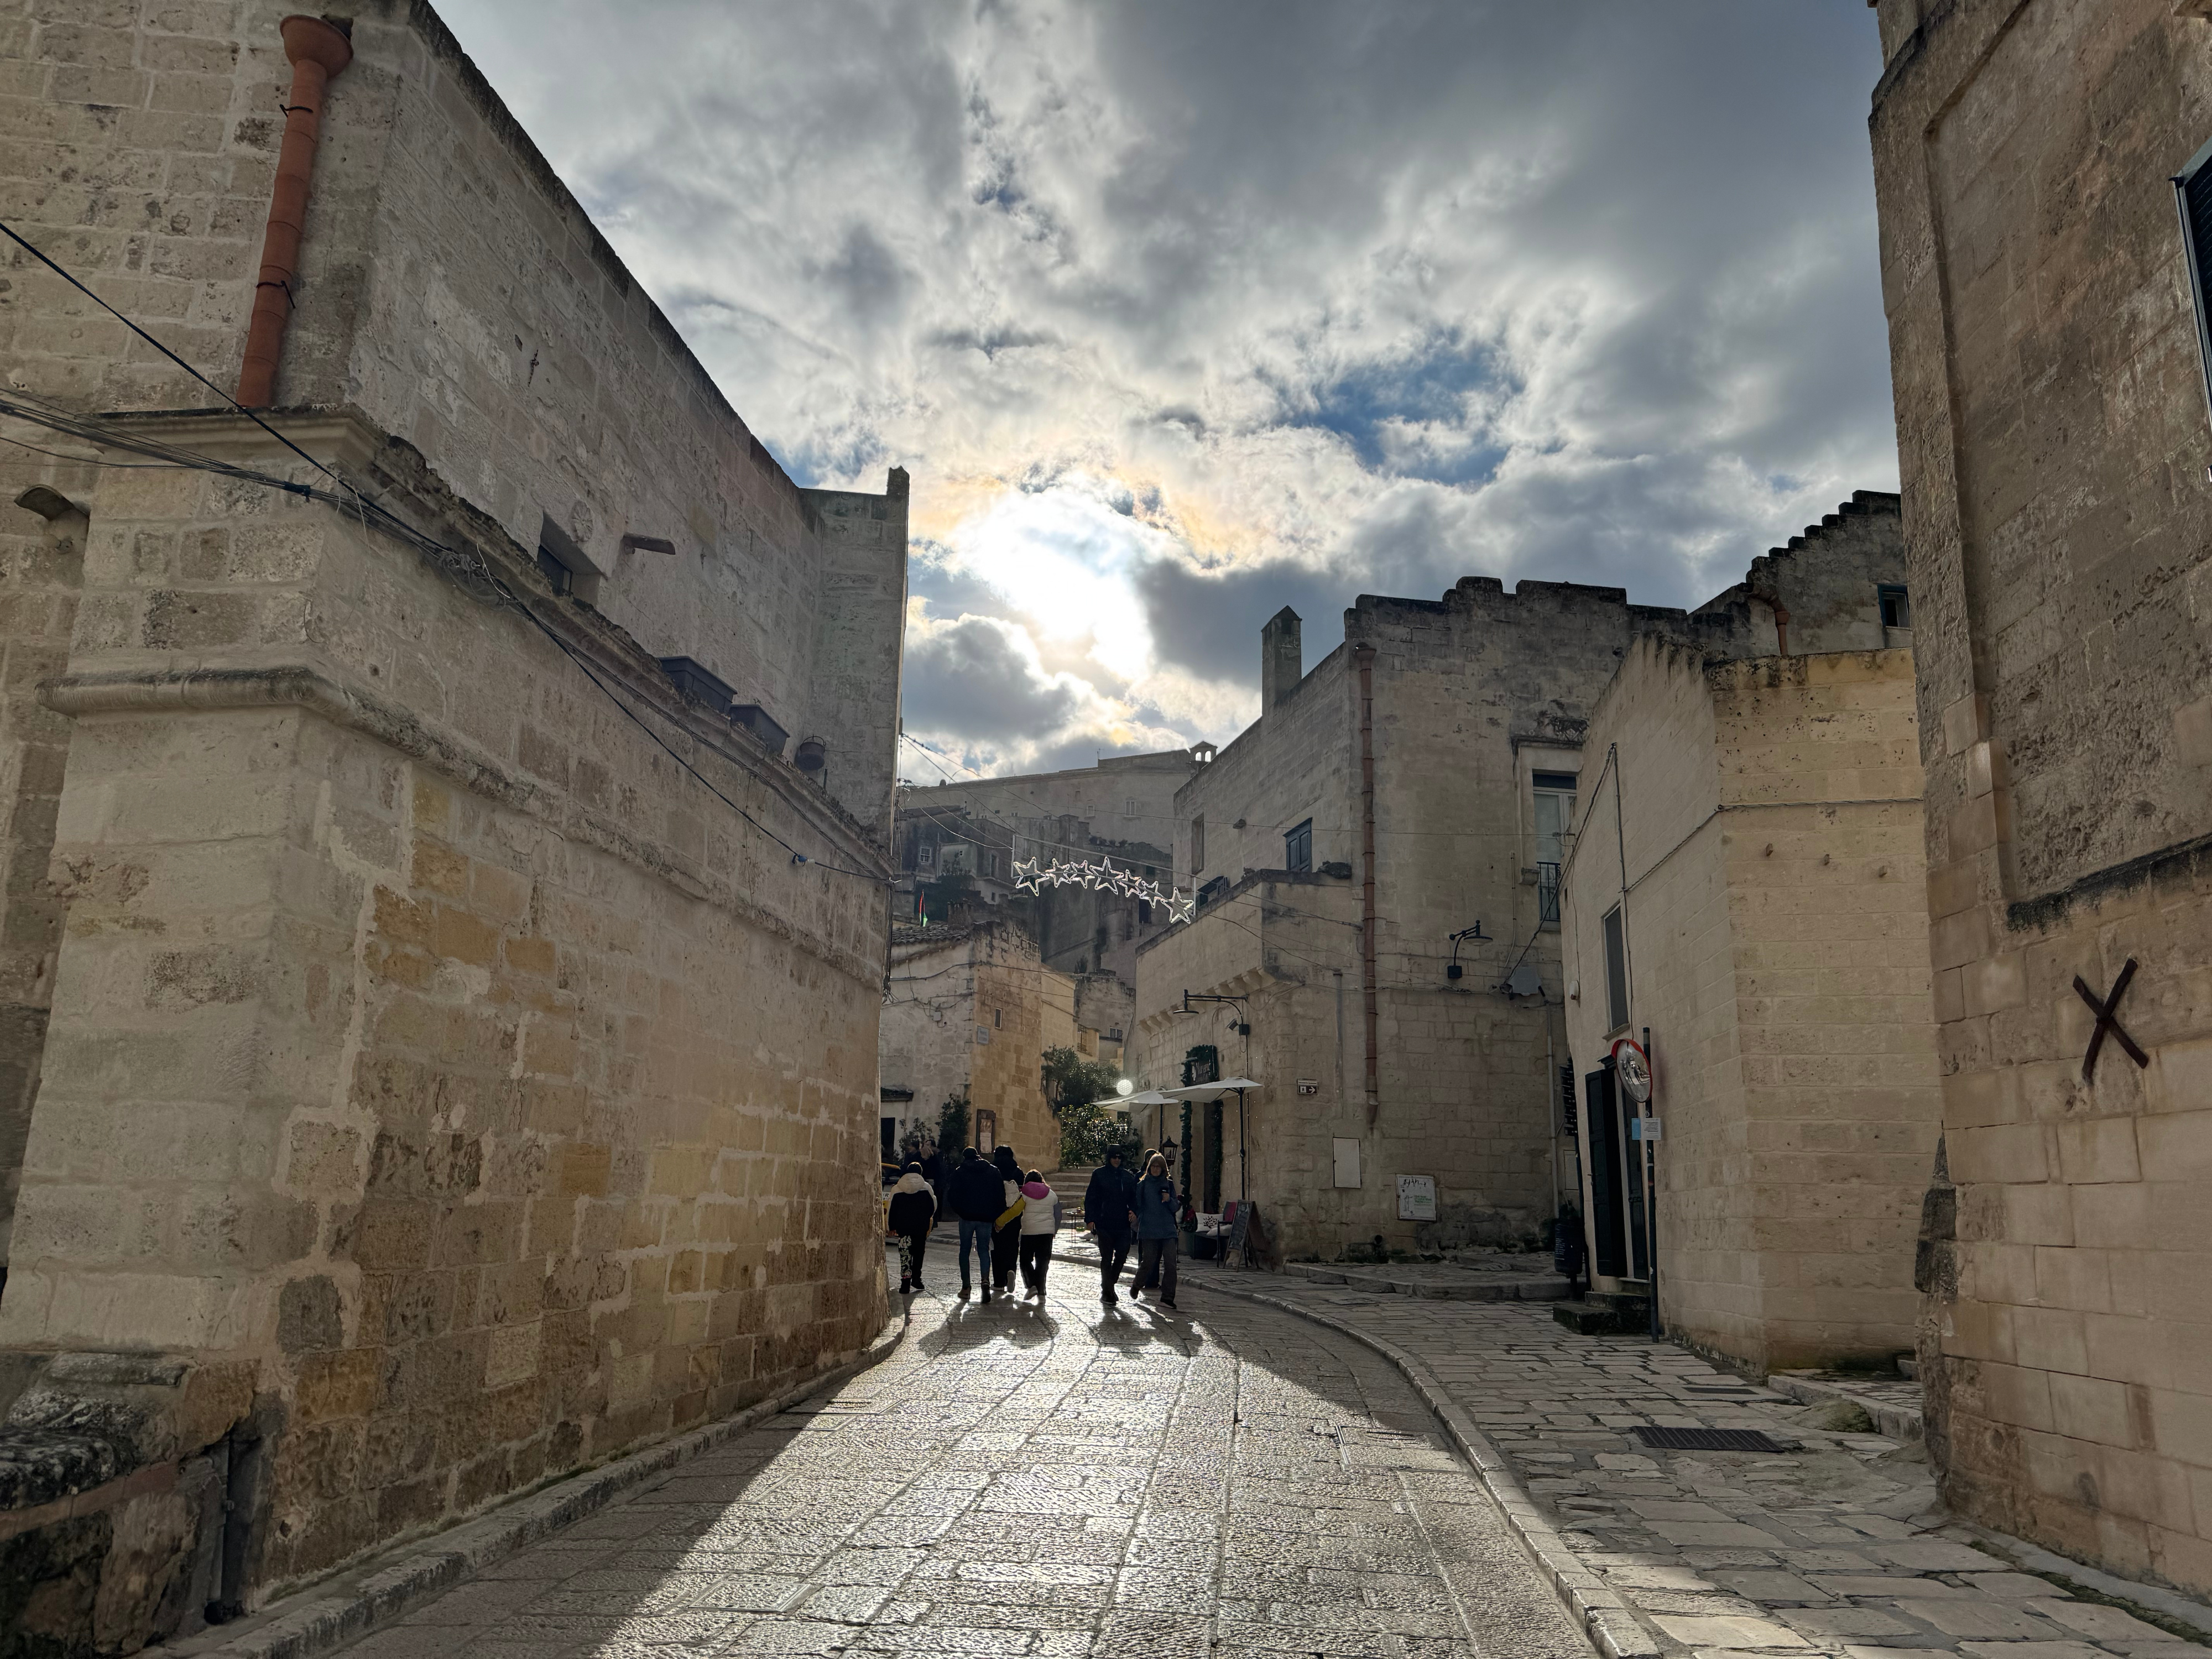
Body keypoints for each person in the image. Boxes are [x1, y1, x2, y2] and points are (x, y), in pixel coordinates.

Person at [946, 1146, 1005, 1302]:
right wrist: (995, 1214)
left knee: (964, 1251)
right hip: (986, 1218)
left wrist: (960, 1211)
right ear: (978, 1156)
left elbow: (951, 1195)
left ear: (965, 1158)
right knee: (984, 1250)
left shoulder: (959, 1172)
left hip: (966, 1218)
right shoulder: (993, 1171)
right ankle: (985, 1280)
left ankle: (966, 1288)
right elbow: (1000, 1194)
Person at [1084, 1145, 1138, 1303]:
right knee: (1106, 1258)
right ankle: (1108, 1292)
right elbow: (1091, 1198)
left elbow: (1133, 1199)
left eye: (1119, 1157)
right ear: (1109, 1158)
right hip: (1104, 1223)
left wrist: (1134, 1211)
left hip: (1122, 1224)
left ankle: (1108, 1285)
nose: (1117, 1160)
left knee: (1122, 1256)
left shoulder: (1127, 1177)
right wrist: (1090, 1220)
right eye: (1114, 1157)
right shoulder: (1099, 1175)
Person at [1132, 1152, 1180, 1310]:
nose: (1155, 1169)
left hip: (1167, 1229)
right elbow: (1137, 1205)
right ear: (1149, 1167)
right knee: (1149, 1261)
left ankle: (1167, 1297)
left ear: (1163, 1169)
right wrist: (1137, 1218)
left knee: (1171, 1264)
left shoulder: (1169, 1184)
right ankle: (1137, 1284)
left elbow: (1175, 1207)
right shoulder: (1143, 1184)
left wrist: (1169, 1200)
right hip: (1149, 1229)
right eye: (1153, 1166)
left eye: (1158, 1167)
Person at [885, 1161, 936, 1294]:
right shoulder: (926, 1187)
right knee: (919, 1254)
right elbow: (933, 1206)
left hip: (904, 1229)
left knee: (905, 1255)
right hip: (921, 1227)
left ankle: (905, 1284)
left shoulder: (897, 1188)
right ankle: (917, 1279)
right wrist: (926, 1218)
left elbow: (891, 1210)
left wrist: (891, 1227)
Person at [1016, 1169, 1061, 1297]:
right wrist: (1054, 1230)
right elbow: (1058, 1214)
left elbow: (1015, 1211)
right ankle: (1041, 1289)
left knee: (1025, 1261)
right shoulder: (1052, 1194)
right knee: (1043, 1262)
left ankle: (1032, 1285)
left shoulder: (1024, 1195)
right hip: (1047, 1233)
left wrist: (1000, 1222)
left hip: (1029, 1232)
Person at [990, 1144, 1024, 1293]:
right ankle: (1011, 1270)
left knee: (998, 1248)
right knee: (1012, 1245)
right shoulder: (1018, 1172)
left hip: (996, 1214)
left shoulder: (992, 1171)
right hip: (1014, 1214)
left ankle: (999, 1282)